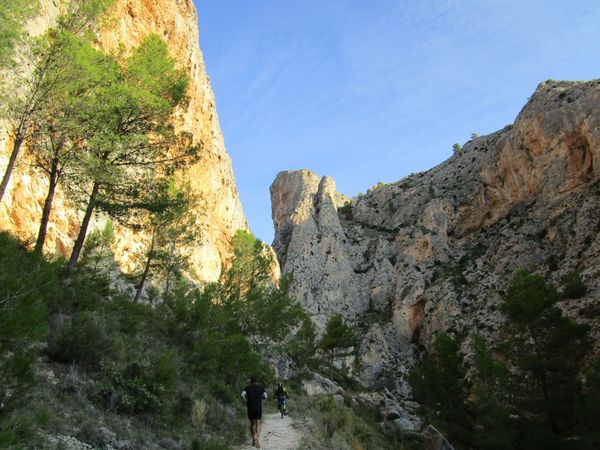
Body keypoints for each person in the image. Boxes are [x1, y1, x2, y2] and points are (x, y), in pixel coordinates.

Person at [241, 376, 267, 448]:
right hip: (258, 407)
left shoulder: (247, 387)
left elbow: (242, 394)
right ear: (257, 381)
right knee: (258, 422)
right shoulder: (261, 387)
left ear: (251, 381)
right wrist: (260, 398)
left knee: (252, 423)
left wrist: (244, 400)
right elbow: (266, 396)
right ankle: (257, 439)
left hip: (250, 406)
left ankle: (255, 440)